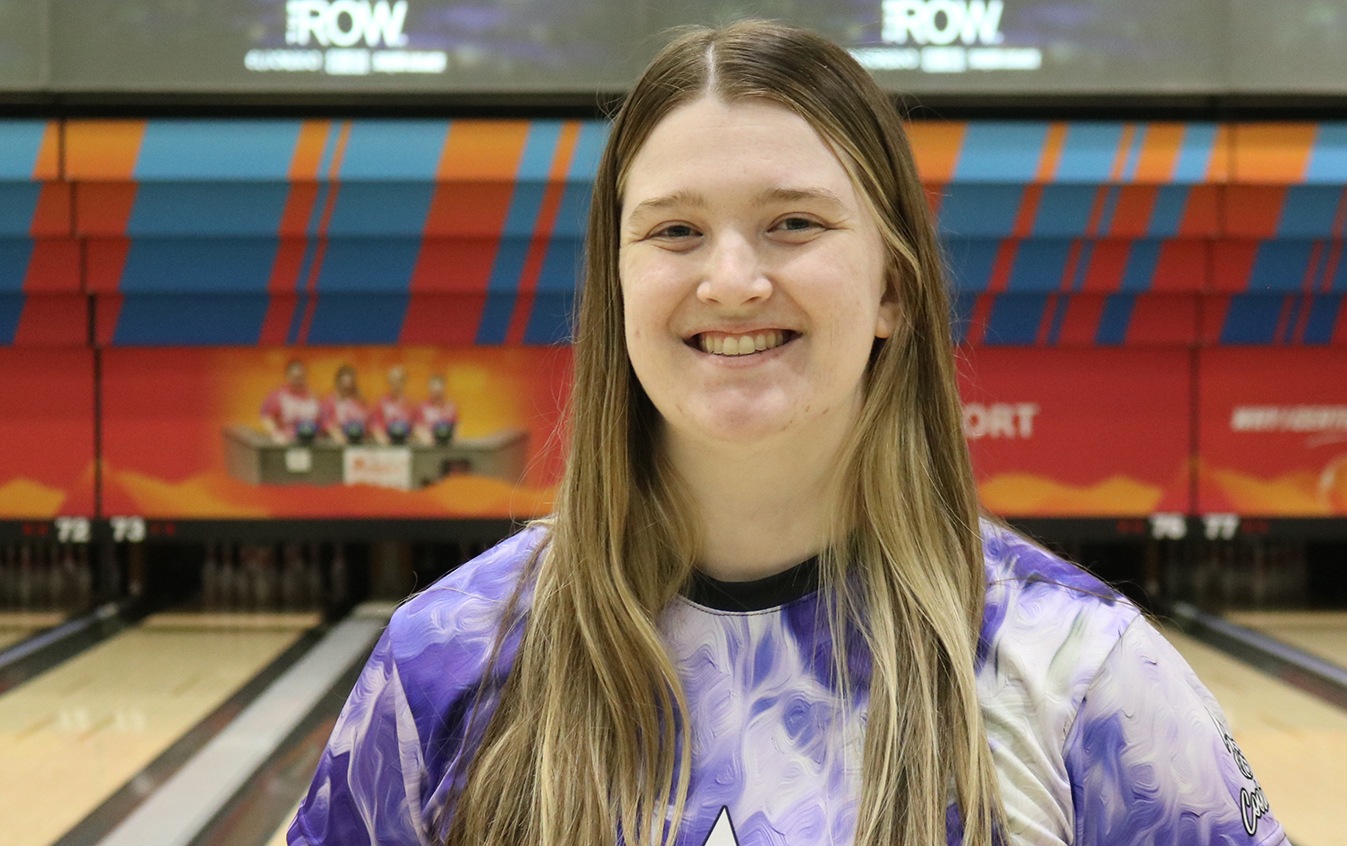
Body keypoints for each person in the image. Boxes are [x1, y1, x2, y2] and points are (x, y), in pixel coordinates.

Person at [289, 22, 1286, 846]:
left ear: (893, 288)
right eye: (675, 232)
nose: (731, 281)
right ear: (617, 285)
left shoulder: (1083, 675)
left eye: (794, 224)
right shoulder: (444, 661)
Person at [259, 359, 321, 445]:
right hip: (287, 442)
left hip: (310, 442)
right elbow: (266, 417)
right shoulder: (278, 395)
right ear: (287, 376)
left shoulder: (313, 396)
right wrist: (276, 434)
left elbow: (321, 420)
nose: (298, 381)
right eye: (295, 377)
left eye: (301, 377)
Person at [321, 364, 371, 446]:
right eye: (344, 385)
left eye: (350, 385)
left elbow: (368, 424)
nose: (347, 389)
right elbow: (327, 424)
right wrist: (342, 441)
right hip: (337, 443)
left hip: (360, 443)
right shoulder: (329, 402)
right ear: (338, 383)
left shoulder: (361, 402)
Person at [371, 365, 417, 445]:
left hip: (407, 444)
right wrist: (387, 446)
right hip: (387, 444)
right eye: (392, 381)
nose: (396, 384)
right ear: (389, 382)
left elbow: (416, 428)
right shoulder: (381, 404)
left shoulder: (411, 404)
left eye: (399, 380)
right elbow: (377, 428)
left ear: (404, 381)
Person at [415, 373, 458, 445]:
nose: (437, 391)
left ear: (444, 388)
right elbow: (418, 428)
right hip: (429, 445)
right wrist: (430, 441)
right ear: (429, 388)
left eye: (439, 388)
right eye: (434, 388)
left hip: (447, 445)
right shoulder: (422, 407)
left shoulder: (451, 407)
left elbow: (456, 429)